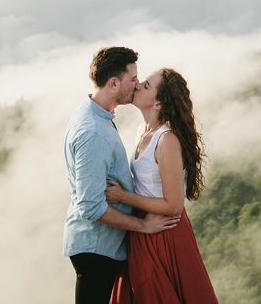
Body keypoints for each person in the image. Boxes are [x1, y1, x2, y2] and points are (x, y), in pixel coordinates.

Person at [64, 47, 181, 304]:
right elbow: (92, 207)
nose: (137, 84)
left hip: (104, 245)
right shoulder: (93, 132)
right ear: (114, 82)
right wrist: (143, 226)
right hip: (97, 247)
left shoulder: (95, 115)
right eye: (133, 79)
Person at [106, 67, 219, 304]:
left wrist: (123, 197)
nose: (137, 85)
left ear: (157, 104)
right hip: (144, 229)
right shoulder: (142, 131)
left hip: (164, 234)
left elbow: (173, 205)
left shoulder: (166, 140)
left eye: (146, 85)